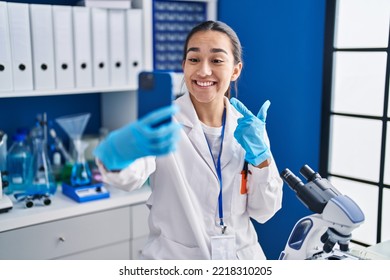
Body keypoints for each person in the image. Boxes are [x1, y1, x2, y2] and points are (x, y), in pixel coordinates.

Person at [93, 20, 283, 260]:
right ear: (184, 66)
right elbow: (130, 176)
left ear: (235, 70)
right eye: (194, 59)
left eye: (216, 60)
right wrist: (116, 155)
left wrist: (262, 160)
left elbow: (264, 210)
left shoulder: (248, 129)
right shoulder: (163, 125)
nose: (203, 71)